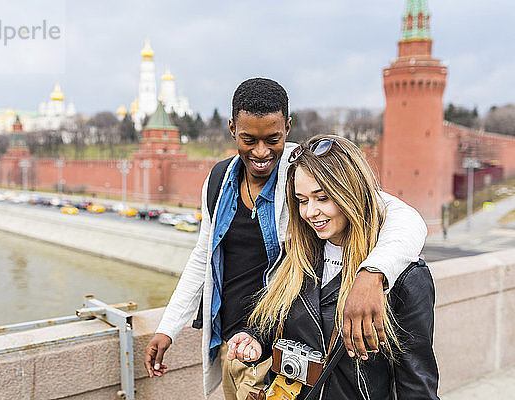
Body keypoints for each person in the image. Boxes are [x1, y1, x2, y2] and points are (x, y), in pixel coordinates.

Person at [144, 78, 428, 400]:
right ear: (232, 128)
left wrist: (373, 273)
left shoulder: (305, 170)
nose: (261, 152)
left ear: (288, 128)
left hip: (279, 350)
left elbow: (405, 218)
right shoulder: (218, 181)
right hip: (238, 344)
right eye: (248, 139)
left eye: (272, 139)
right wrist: (169, 327)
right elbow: (203, 258)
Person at [227, 135, 439, 399]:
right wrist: (256, 337)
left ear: (348, 194)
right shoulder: (300, 255)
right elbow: (281, 320)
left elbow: (416, 384)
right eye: (302, 201)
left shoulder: (404, 277)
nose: (310, 212)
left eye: (322, 197)